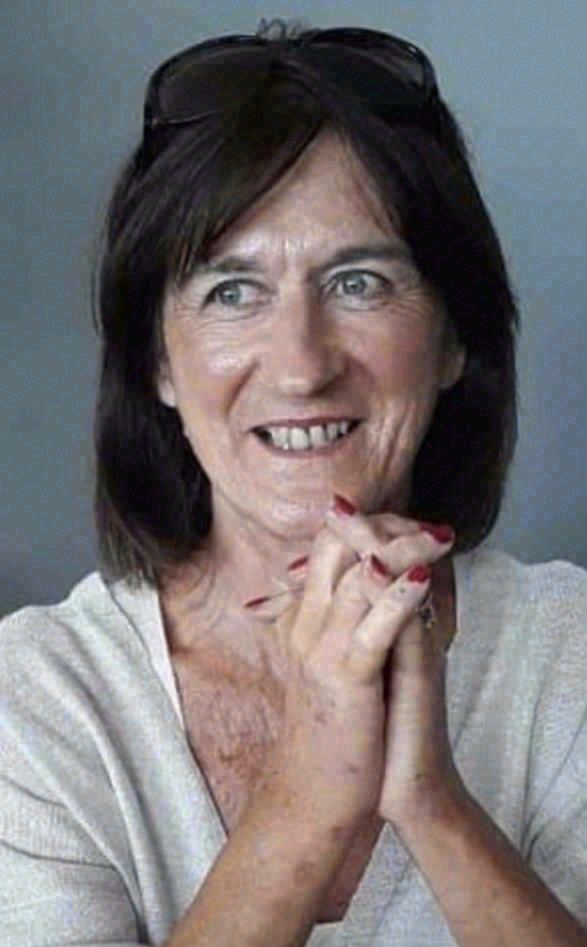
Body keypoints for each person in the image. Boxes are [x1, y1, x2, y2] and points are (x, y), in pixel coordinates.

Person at [0, 19, 586, 947]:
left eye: (358, 282)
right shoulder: (35, 702)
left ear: (453, 339)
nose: (301, 366)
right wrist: (308, 797)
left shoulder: (569, 656)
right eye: (232, 292)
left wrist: (431, 803)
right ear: (157, 361)